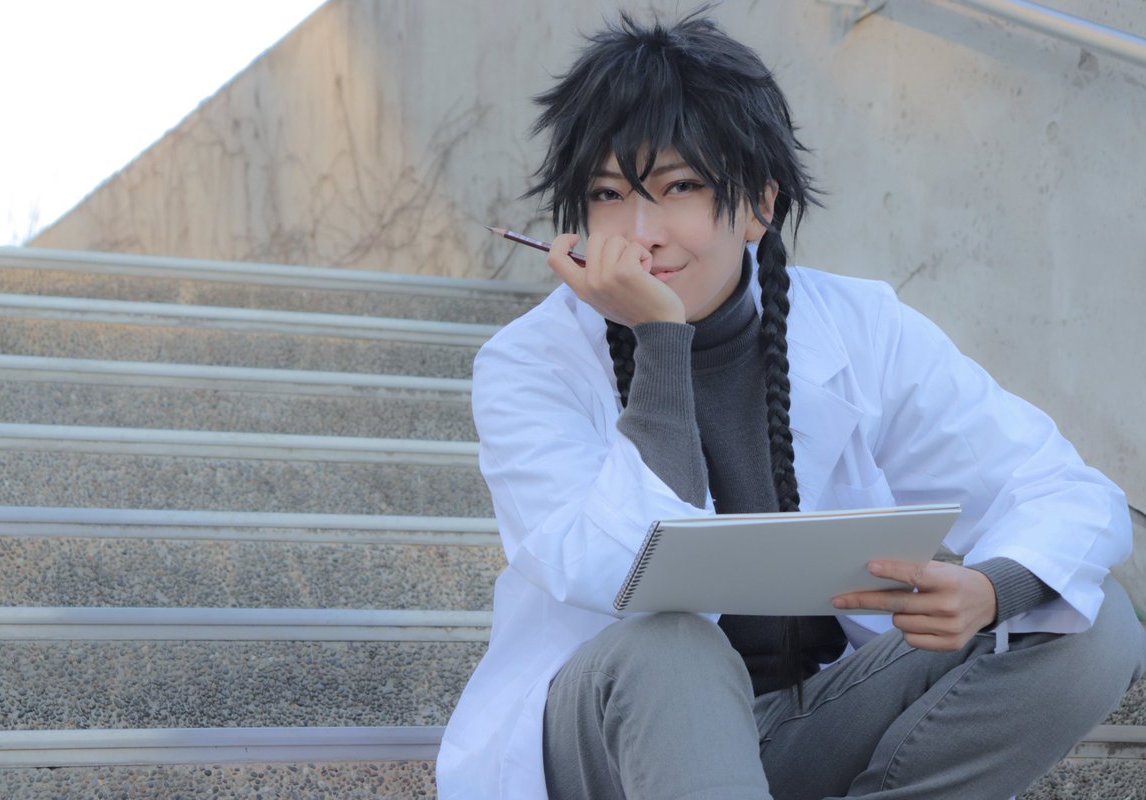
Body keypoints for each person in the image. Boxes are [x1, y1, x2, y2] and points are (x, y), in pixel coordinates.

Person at [437, 8, 1145, 800]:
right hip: (616, 735)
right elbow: (622, 573)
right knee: (675, 647)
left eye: (680, 186)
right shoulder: (529, 364)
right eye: (607, 194)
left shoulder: (862, 327)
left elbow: (1064, 490)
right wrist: (659, 343)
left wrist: (991, 590)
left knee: (1090, 624)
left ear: (759, 204)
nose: (641, 232)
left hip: (802, 723)